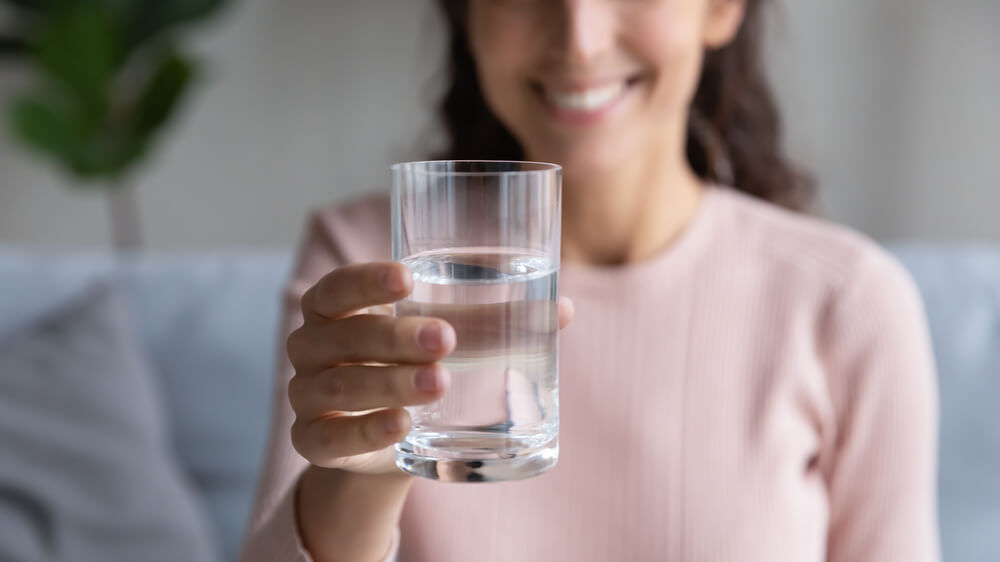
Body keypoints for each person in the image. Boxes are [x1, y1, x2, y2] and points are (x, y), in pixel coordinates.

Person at [239, 0, 939, 560]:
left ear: (724, 8)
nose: (579, 36)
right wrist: (354, 484)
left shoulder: (848, 302)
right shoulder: (367, 262)